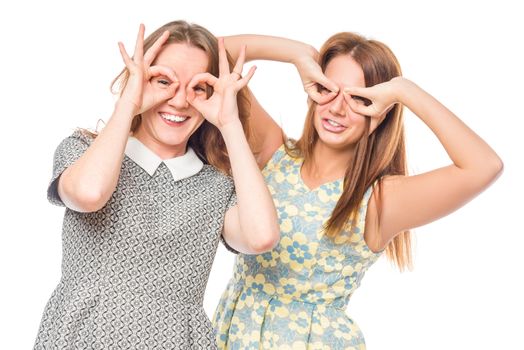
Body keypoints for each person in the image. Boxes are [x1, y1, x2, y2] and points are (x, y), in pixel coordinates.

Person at [212, 32, 503, 349]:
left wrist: (404, 91)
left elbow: (484, 166)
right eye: (327, 89)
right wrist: (298, 53)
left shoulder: (380, 200)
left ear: (380, 113)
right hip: (231, 330)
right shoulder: (274, 154)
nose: (337, 108)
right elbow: (214, 55)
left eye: (359, 99)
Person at [33, 21, 279, 349]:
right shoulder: (83, 150)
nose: (179, 101)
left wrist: (230, 123)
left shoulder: (217, 186)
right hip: (83, 335)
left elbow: (261, 237)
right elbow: (89, 194)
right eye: (163, 81)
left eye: (198, 88)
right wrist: (129, 105)